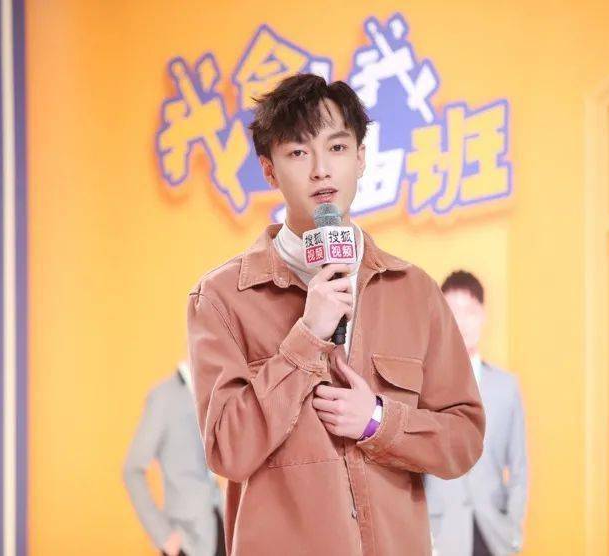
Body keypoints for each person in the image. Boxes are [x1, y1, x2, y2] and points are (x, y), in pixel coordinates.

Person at [186, 74, 485, 555]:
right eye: (298, 153)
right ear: (269, 170)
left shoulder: (415, 292)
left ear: (361, 157)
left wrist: (378, 421)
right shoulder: (221, 298)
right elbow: (228, 450)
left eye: (338, 147)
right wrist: (307, 336)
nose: (321, 170)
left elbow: (464, 439)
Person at [424, 271, 528, 555]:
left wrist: (513, 531)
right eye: (453, 311)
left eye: (470, 311)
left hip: (493, 531)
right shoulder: (424, 385)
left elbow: (520, 468)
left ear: (483, 316)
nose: (462, 321)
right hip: (440, 533)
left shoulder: (506, 386)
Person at [123, 362, 226, 556]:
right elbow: (132, 470)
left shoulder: (213, 392)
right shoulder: (163, 397)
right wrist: (164, 536)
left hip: (218, 524)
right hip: (187, 541)